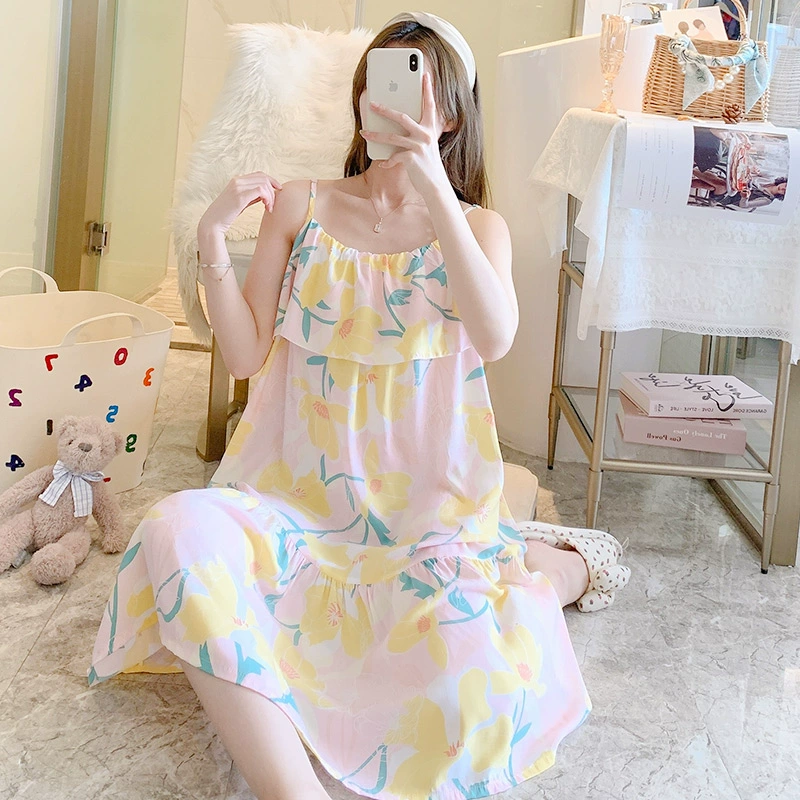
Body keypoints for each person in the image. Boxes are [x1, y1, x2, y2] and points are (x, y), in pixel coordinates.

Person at [87, 12, 630, 800]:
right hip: (291, 506)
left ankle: (544, 559)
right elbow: (244, 356)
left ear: (452, 114)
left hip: (426, 519)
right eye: (379, 80)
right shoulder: (300, 205)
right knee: (176, 528)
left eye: (416, 87)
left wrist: (434, 188)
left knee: (475, 682)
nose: (391, 101)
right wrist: (210, 241)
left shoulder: (479, 227)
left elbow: (496, 336)